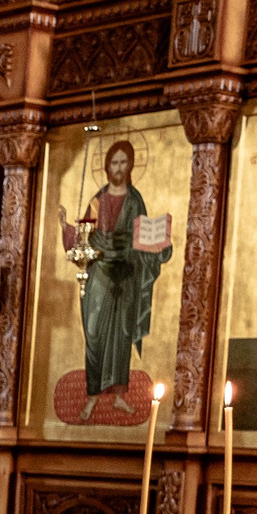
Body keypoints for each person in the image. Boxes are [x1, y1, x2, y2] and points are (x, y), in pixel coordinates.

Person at [67, 139, 167, 422]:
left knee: (121, 335)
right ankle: (91, 397)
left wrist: (159, 247)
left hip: (126, 276)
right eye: (114, 162)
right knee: (94, 333)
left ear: (131, 165)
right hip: (98, 275)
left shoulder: (135, 200)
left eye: (123, 162)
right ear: (107, 166)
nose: (119, 168)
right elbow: (82, 239)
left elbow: (144, 238)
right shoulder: (96, 200)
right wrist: (65, 227)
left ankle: (119, 395)